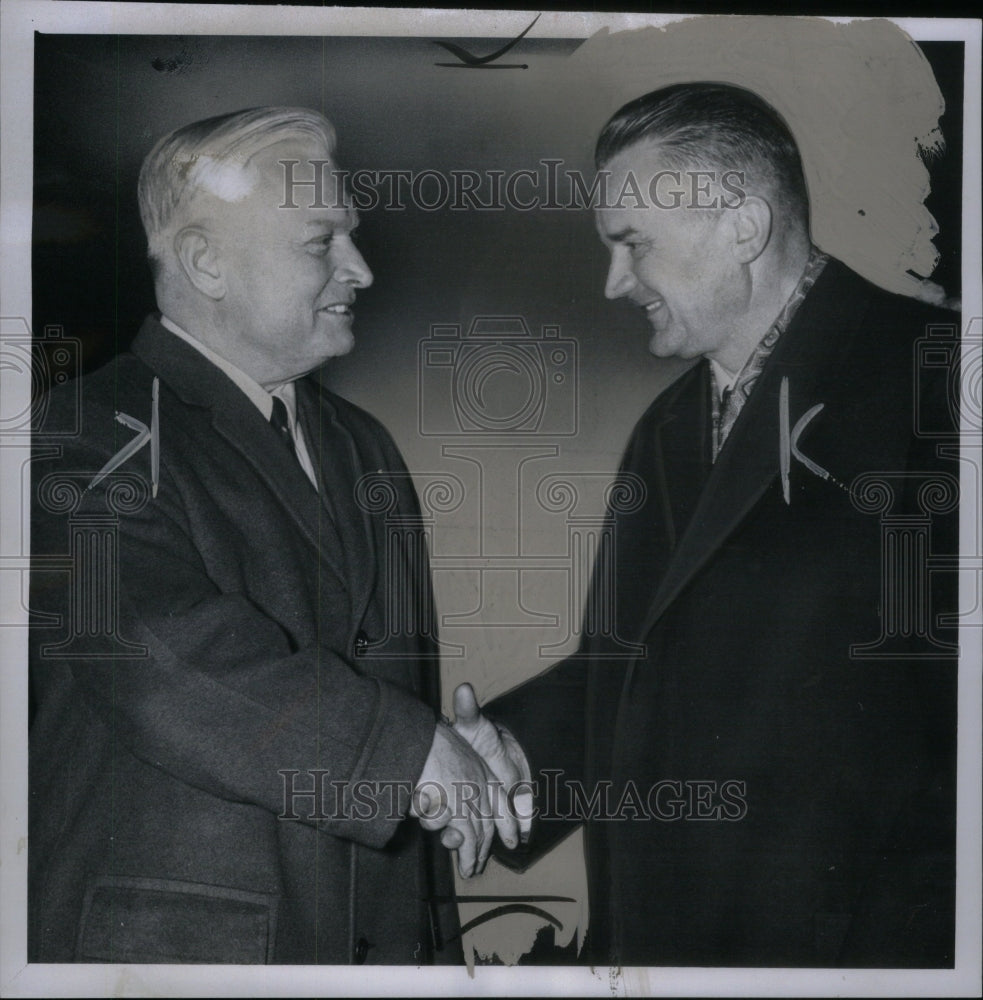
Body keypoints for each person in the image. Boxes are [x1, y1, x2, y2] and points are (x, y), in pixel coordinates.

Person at [463, 82, 959, 967]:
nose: (613, 283)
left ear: (741, 225)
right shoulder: (668, 424)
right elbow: (632, 671)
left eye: (632, 245)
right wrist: (504, 756)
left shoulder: (940, 381)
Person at [28, 107, 520, 965]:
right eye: (320, 241)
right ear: (204, 262)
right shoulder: (81, 431)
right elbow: (155, 656)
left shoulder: (364, 446)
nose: (360, 269)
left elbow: (348, 684)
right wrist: (404, 751)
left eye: (352, 237)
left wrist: (446, 751)